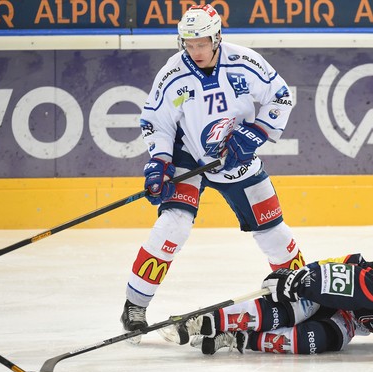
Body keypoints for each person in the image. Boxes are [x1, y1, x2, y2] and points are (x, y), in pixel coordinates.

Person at [121, 4, 305, 342]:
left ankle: (305, 295)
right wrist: (159, 162)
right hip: (189, 157)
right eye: (189, 44)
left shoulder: (244, 62)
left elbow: (281, 96)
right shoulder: (173, 73)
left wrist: (256, 134)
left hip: (237, 157)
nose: (195, 51)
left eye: (202, 43)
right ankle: (135, 305)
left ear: (217, 37)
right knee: (172, 226)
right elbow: (156, 121)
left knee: (275, 235)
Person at [167, 254, 373, 354]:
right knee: (289, 309)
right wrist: (302, 281)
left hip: (351, 317)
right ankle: (202, 320)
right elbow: (350, 282)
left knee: (316, 341)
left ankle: (237, 339)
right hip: (333, 287)